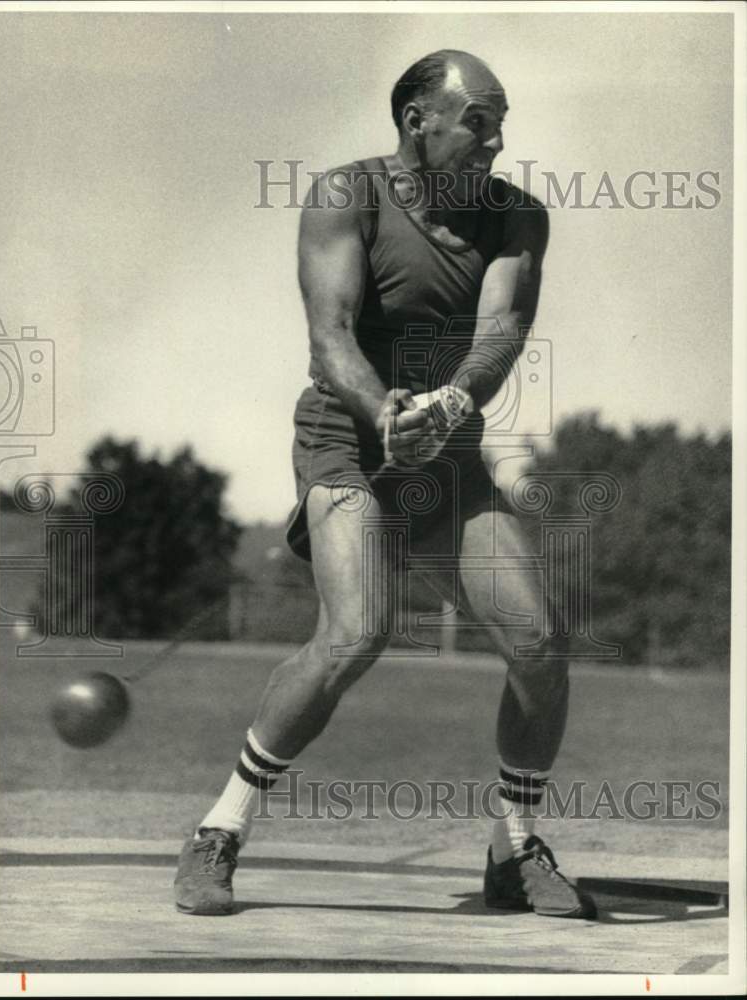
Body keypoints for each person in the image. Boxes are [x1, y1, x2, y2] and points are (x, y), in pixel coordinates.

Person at [174, 49, 596, 921]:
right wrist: (385, 411)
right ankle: (220, 829)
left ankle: (513, 848)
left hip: (448, 456)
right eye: (478, 120)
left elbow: (503, 331)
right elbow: (329, 334)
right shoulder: (347, 195)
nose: (496, 139)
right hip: (347, 441)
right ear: (417, 120)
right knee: (357, 631)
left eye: (501, 122)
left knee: (540, 640)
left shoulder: (518, 216)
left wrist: (450, 402)